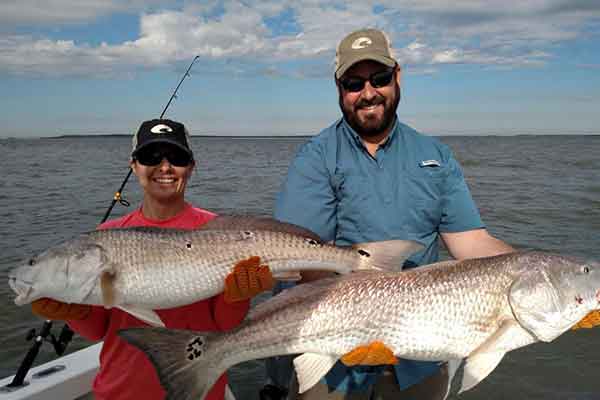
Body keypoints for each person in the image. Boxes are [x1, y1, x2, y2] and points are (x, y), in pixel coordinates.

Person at [268, 28, 514, 399]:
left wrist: (545, 276)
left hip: (422, 357)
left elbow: (471, 242)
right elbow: (299, 257)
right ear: (339, 89)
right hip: (333, 352)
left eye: (379, 78)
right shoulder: (316, 157)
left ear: (397, 76)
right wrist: (363, 319)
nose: (368, 93)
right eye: (354, 83)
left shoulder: (436, 156)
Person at [30, 118, 274, 400]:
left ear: (191, 167)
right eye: (150, 157)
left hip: (198, 391)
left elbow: (223, 325)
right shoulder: (104, 238)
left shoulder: (219, 231)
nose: (165, 167)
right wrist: (75, 312)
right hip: (120, 391)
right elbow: (98, 330)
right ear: (134, 166)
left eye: (177, 157)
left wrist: (239, 297)